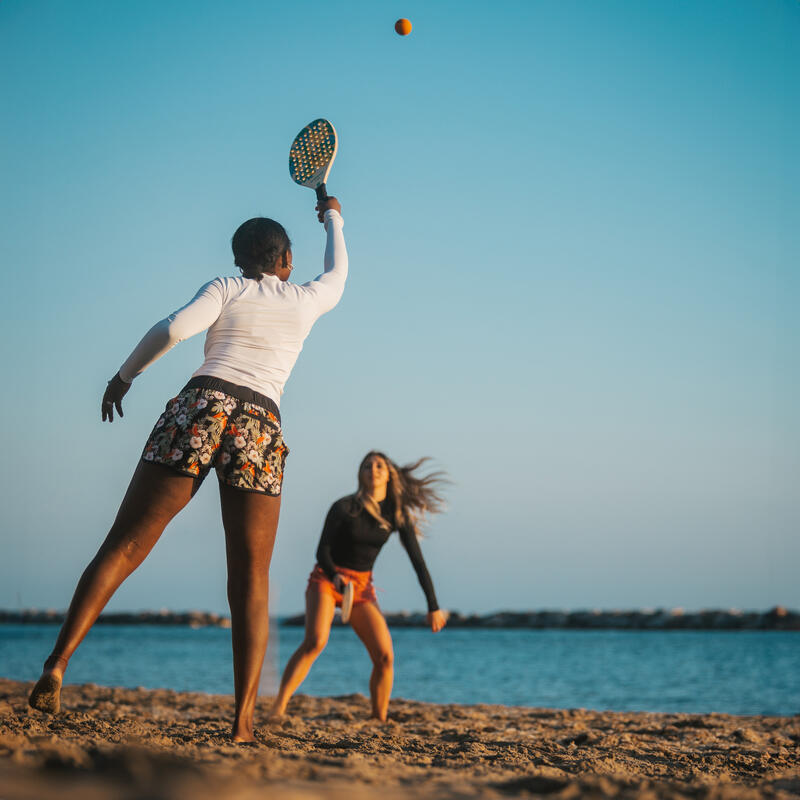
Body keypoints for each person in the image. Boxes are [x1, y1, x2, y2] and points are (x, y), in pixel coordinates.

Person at [28, 197, 347, 742]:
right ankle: (244, 722)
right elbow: (338, 274)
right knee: (250, 576)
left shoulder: (226, 288)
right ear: (287, 259)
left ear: (241, 258)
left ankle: (58, 663)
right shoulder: (304, 300)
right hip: (259, 423)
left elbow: (174, 328)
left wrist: (124, 376)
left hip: (203, 403)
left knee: (125, 544)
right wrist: (333, 216)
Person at [270, 451, 448, 722]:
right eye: (367, 466)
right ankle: (278, 709)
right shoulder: (344, 507)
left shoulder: (396, 514)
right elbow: (322, 551)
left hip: (362, 589)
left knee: (385, 656)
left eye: (379, 466)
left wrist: (433, 606)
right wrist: (336, 577)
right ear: (360, 474)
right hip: (327, 580)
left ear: (388, 474)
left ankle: (379, 719)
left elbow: (418, 562)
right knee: (315, 642)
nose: (373, 470)